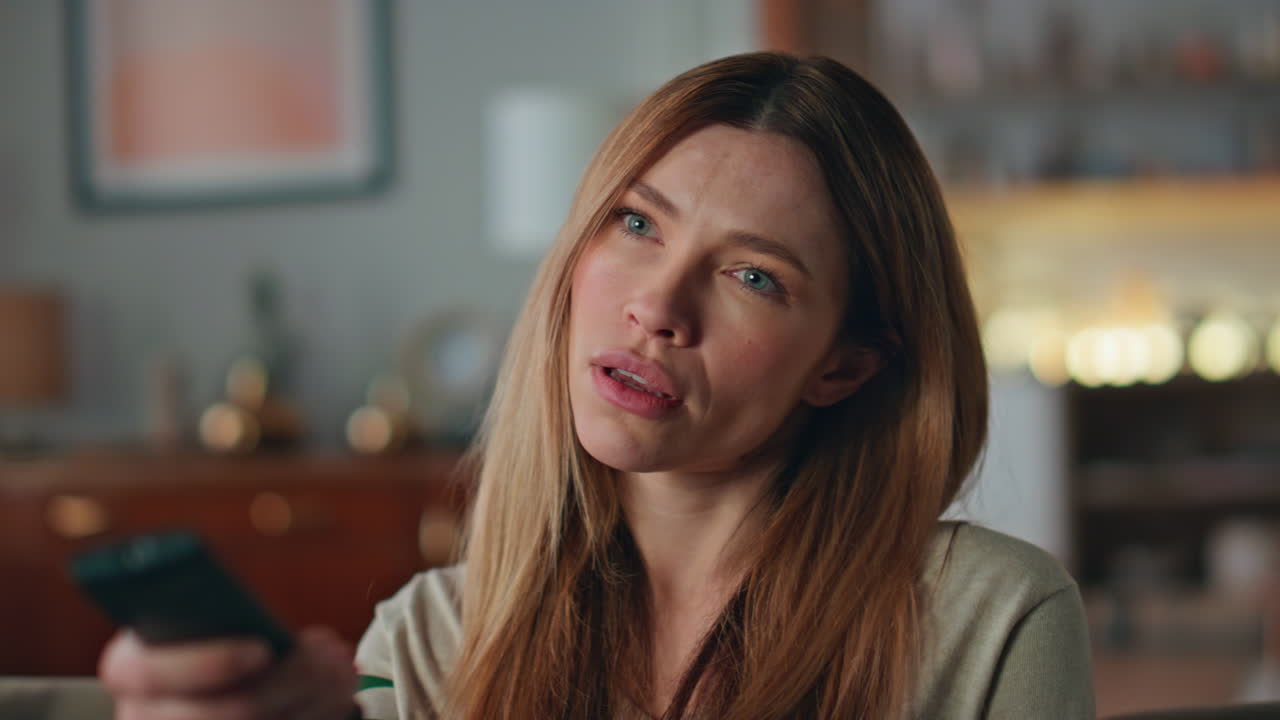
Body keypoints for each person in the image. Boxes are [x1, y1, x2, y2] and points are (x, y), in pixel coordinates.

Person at [99, 52, 1094, 720]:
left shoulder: (991, 623)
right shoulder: (427, 641)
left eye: (753, 276)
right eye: (635, 224)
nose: (658, 305)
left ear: (842, 365)